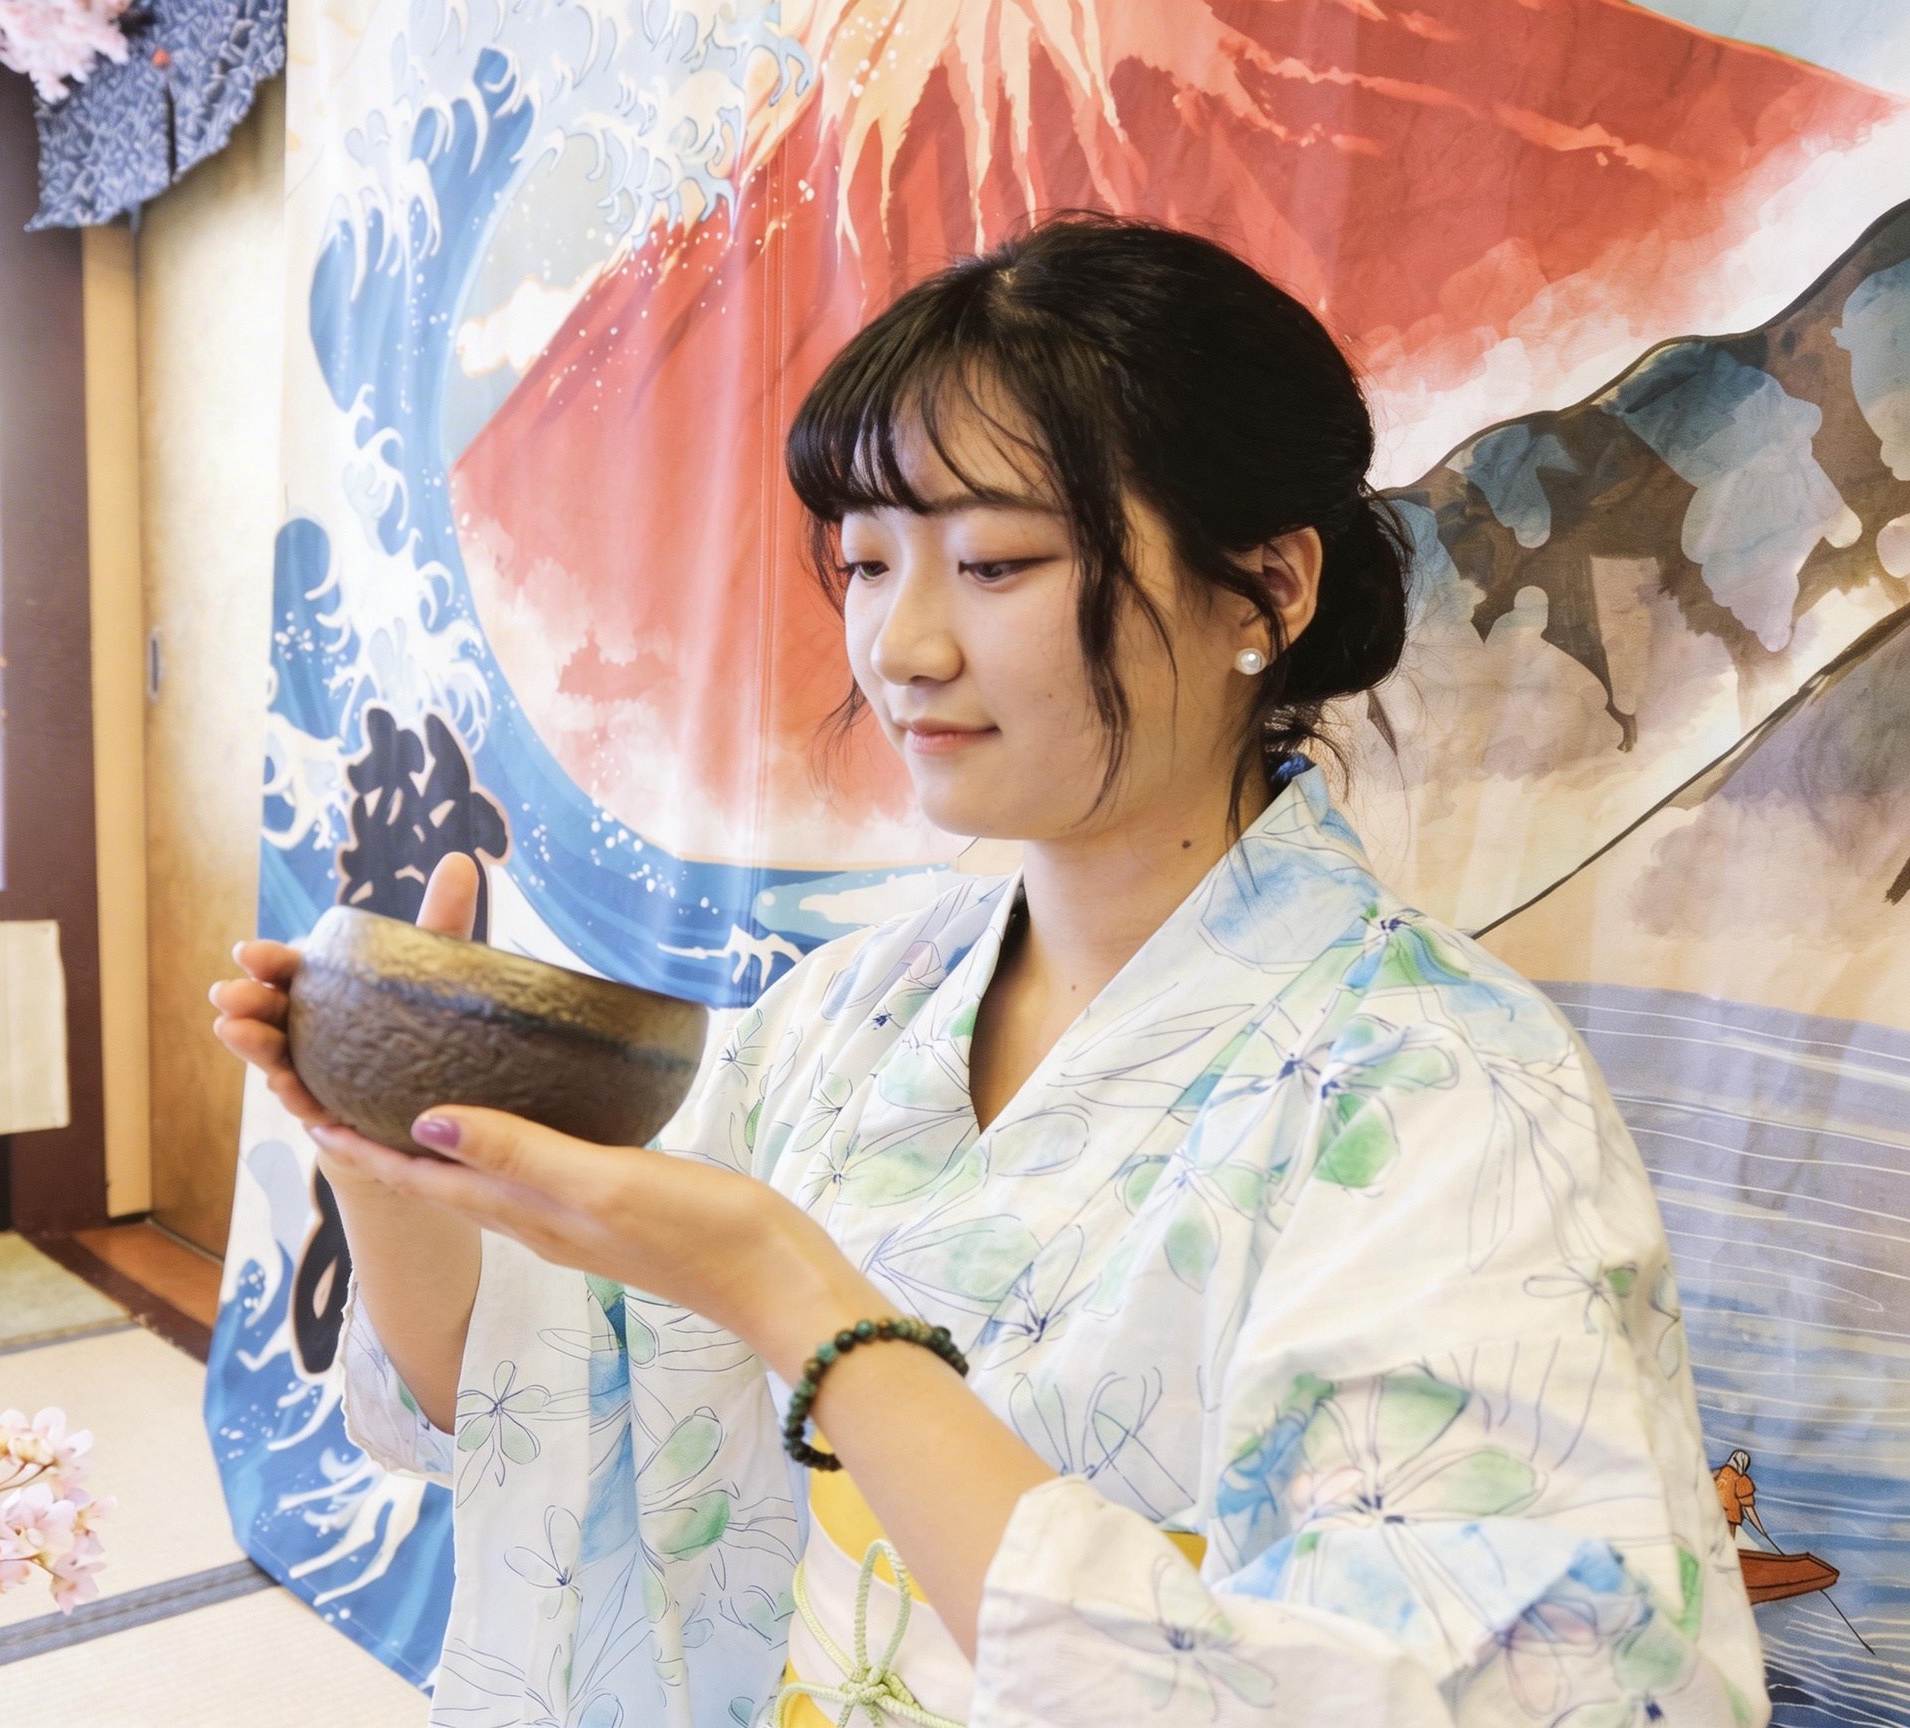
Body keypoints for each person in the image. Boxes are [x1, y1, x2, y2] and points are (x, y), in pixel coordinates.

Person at [214, 217, 1765, 1727]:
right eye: (867, 563)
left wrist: (792, 1292)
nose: (904, 646)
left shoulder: (1453, 1096)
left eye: (997, 562)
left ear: (1268, 588)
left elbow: (1501, 1681)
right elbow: (533, 1402)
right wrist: (385, 1155)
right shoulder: (843, 1016)